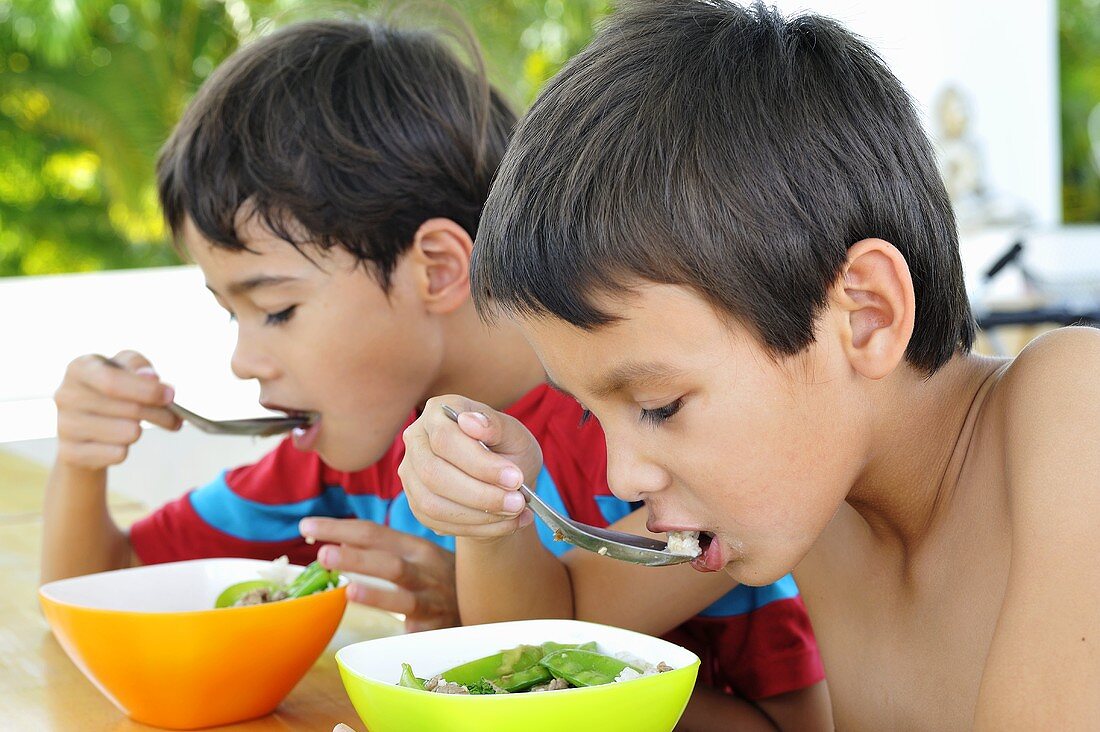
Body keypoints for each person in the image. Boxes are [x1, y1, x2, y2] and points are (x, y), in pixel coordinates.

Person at [39, 13, 829, 730]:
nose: (244, 360)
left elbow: (796, 716)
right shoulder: (355, 453)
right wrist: (81, 459)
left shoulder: (648, 441)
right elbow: (102, 598)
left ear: (439, 267)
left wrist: (477, 607)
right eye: (230, 314)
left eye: (275, 310)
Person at [398, 1, 1100, 728]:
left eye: (659, 404)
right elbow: (557, 638)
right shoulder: (818, 493)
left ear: (866, 316)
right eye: (588, 412)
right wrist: (489, 512)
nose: (621, 477)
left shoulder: (1074, 408)